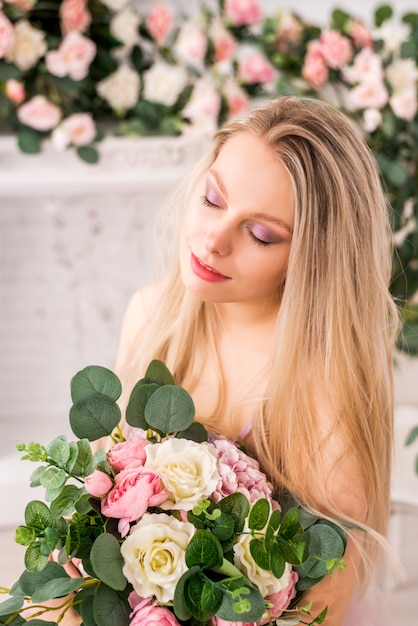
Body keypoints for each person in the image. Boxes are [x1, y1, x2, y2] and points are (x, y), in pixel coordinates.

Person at [51, 95, 398, 626]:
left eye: (259, 234)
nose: (213, 241)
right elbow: (97, 505)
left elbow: (327, 597)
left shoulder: (320, 381)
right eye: (213, 199)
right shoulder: (152, 316)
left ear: (310, 259)